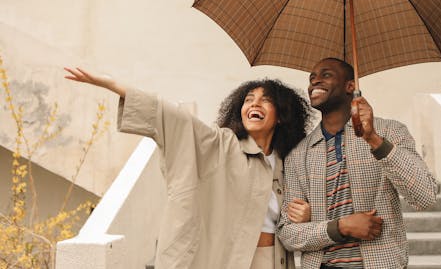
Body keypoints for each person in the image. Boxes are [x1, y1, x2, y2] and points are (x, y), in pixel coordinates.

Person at [64, 67, 313, 269]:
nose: (254, 105)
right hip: (231, 259)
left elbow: (291, 218)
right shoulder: (221, 144)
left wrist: (304, 216)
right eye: (249, 100)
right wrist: (114, 85)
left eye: (265, 101)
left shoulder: (288, 161)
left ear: (281, 116)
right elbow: (174, 120)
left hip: (275, 259)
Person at [277, 58, 438, 269]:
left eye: (325, 75)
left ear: (350, 86)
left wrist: (373, 139)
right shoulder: (299, 155)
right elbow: (288, 234)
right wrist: (341, 227)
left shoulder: (391, 132)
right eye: (312, 78)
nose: (314, 82)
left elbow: (425, 197)